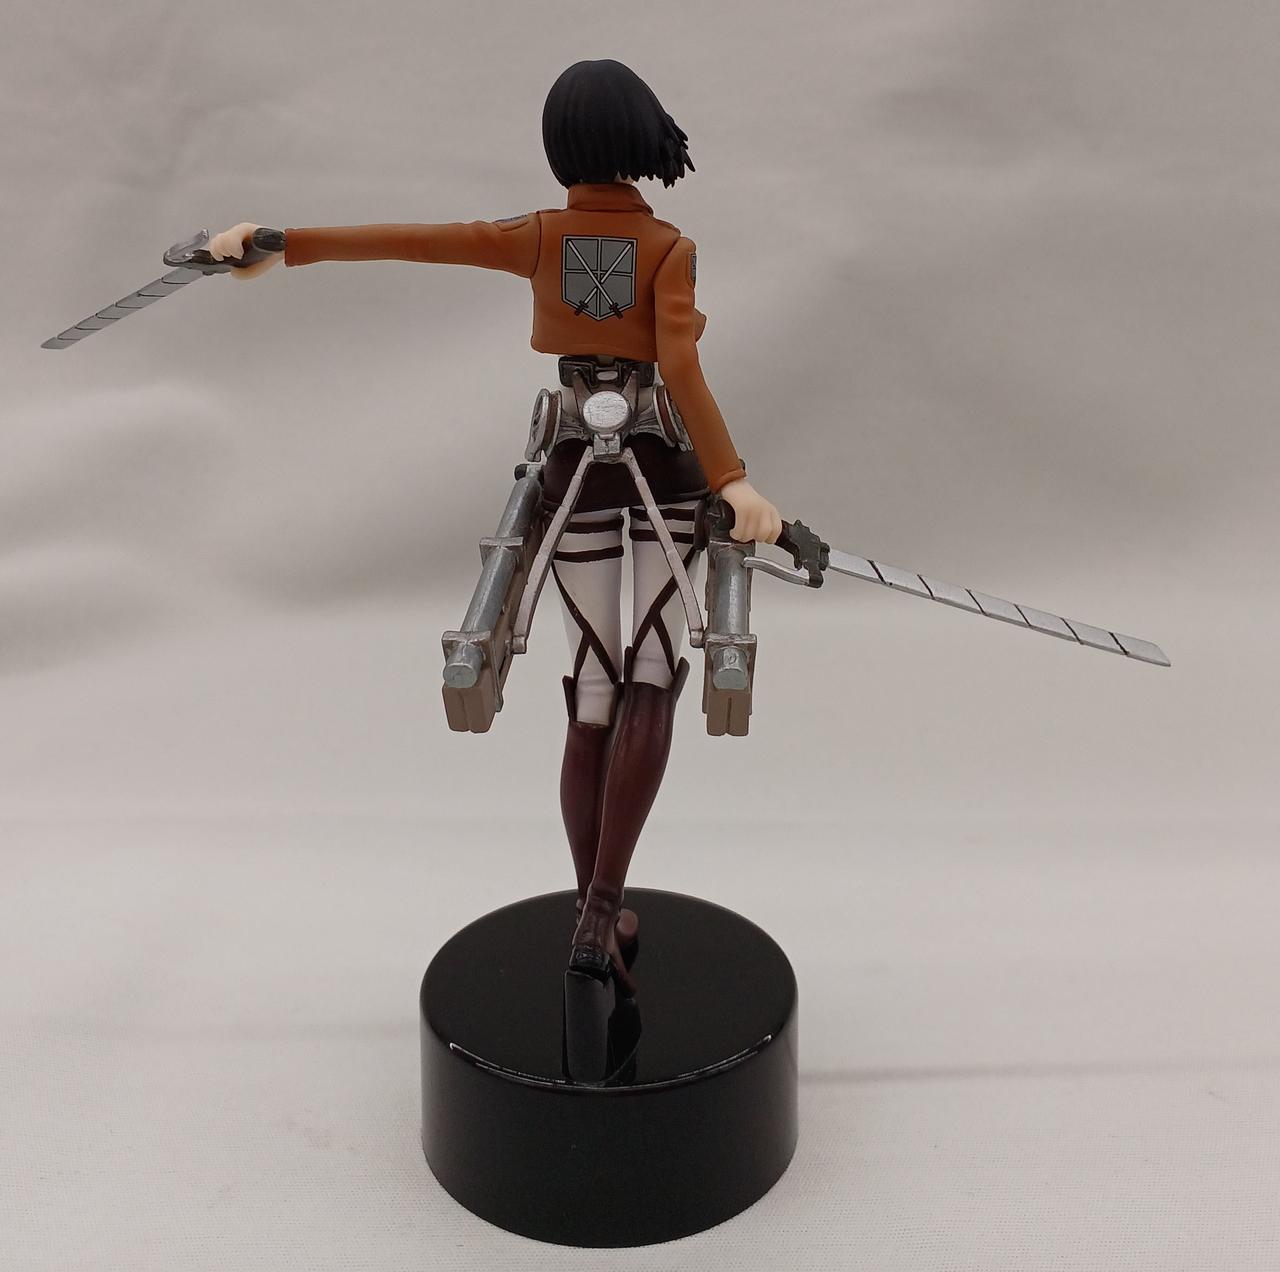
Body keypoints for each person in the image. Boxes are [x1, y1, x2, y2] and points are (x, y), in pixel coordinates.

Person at [206, 58, 782, 1019]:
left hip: (576, 478)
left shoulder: (540, 236)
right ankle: (601, 910)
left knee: (593, 690)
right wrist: (732, 480)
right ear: (646, 137)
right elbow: (680, 366)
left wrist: (282, 243)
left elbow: (415, 241)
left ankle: (593, 916)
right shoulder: (668, 247)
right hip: (665, 475)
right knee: (650, 674)